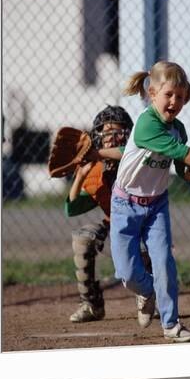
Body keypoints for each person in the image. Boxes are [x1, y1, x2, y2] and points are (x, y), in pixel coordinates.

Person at [110, 60, 190, 342]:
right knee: (127, 272)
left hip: (156, 205)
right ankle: (146, 291)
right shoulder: (146, 124)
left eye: (180, 96)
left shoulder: (178, 128)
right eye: (168, 95)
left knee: (164, 261)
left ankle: (171, 324)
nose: (174, 101)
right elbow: (182, 152)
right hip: (124, 205)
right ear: (152, 94)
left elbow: (184, 170)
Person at [65, 105, 141, 323]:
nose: (111, 138)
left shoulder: (135, 159)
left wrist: (98, 154)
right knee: (82, 238)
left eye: (117, 132)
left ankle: (148, 293)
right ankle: (91, 304)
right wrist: (80, 175)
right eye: (105, 133)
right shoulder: (96, 168)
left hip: (141, 223)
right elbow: (72, 207)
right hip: (113, 223)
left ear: (128, 135)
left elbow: (127, 152)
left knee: (145, 246)